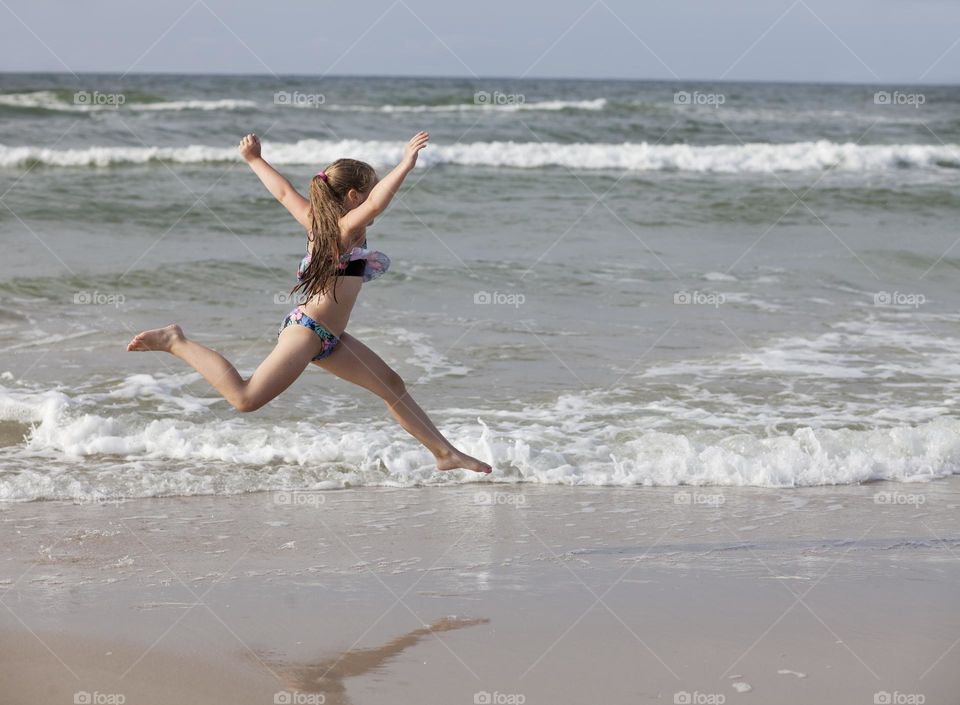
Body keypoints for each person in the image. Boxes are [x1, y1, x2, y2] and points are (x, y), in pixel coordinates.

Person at [127, 131, 491, 475]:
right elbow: (377, 201)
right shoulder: (345, 230)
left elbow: (284, 193)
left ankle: (445, 454)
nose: (373, 203)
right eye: (368, 193)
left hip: (331, 339)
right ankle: (176, 341)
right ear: (352, 197)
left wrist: (255, 159)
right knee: (245, 398)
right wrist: (406, 164)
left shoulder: (321, 222)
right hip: (307, 332)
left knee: (392, 385)